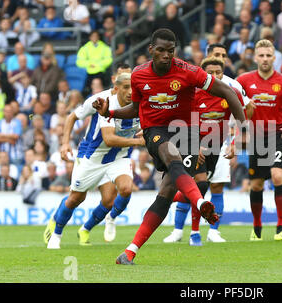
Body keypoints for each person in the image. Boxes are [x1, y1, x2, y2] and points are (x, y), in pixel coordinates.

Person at [92, 29, 246, 265]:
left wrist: (243, 125)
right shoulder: (138, 75)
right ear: (151, 50)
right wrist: (109, 112)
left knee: (165, 194)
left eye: (171, 51)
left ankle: (130, 251)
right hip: (156, 130)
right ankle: (199, 202)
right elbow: (135, 108)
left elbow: (226, 90)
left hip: (187, 132)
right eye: (161, 50)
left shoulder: (188, 71)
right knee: (171, 156)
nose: (166, 55)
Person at [43, 71, 144, 249]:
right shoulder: (102, 102)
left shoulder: (141, 103)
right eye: (126, 87)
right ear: (116, 87)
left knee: (123, 191)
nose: (130, 92)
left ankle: (104, 221)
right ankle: (57, 232)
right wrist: (65, 143)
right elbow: (105, 136)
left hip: (119, 156)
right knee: (76, 199)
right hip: (92, 156)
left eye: (133, 87)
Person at [164, 57, 250, 245]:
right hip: (191, 144)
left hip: (215, 147)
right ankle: (194, 233)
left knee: (200, 188)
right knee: (201, 185)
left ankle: (169, 196)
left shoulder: (230, 92)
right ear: (202, 74)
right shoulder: (193, 93)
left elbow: (243, 120)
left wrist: (235, 142)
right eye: (210, 73)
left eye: (218, 73)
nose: (214, 76)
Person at [237, 39, 282, 242]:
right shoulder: (243, 80)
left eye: (269, 55)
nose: (265, 59)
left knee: (278, 176)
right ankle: (257, 227)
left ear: (274, 58)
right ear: (255, 57)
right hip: (257, 137)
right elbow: (230, 100)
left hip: (279, 134)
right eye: (261, 55)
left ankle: (281, 226)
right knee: (257, 184)